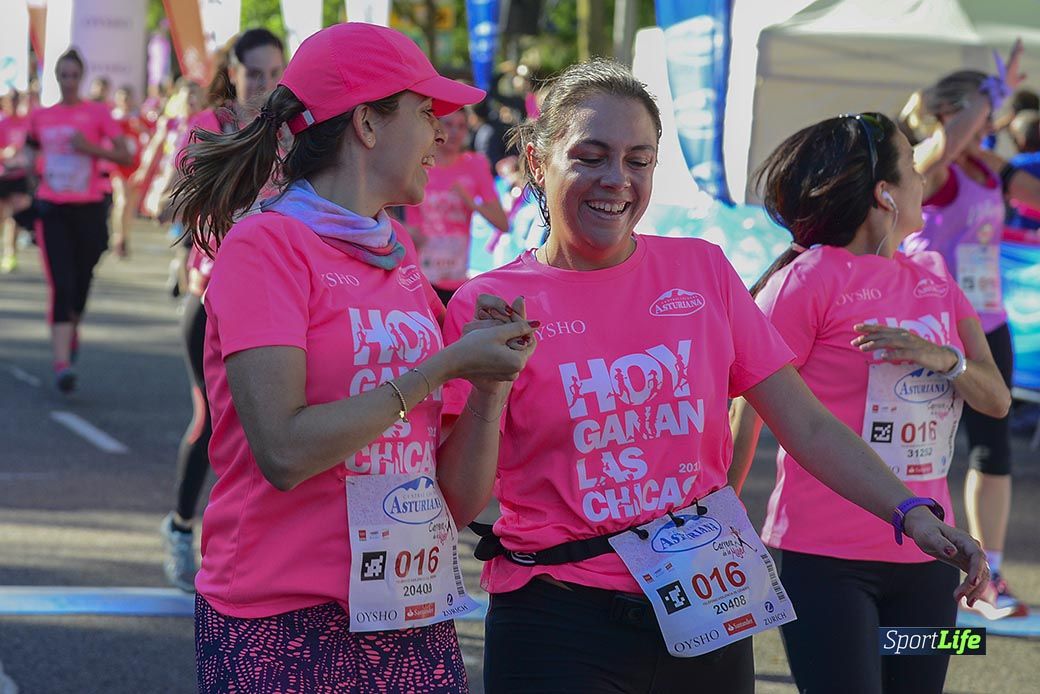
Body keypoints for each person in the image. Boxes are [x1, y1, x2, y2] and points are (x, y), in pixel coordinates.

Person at [440, 58, 989, 693]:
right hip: (558, 616)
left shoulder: (701, 271)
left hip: (708, 605)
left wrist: (912, 512)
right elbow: (458, 501)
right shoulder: (490, 305)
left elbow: (806, 424)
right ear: (538, 163)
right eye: (590, 157)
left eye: (639, 160)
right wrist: (488, 390)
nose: (616, 179)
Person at [168, 23, 536, 692]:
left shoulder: (394, 251)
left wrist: (487, 387)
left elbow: (452, 502)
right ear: (366, 123)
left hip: (408, 611)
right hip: (280, 616)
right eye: (425, 113)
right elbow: (284, 451)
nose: (441, 135)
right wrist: (440, 367)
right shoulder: (265, 248)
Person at [728, 112, 1011, 693]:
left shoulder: (935, 275)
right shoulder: (807, 280)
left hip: (933, 556)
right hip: (825, 559)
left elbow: (998, 400)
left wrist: (943, 358)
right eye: (912, 166)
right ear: (885, 193)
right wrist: (720, 524)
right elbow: (747, 407)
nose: (923, 179)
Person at [898, 41, 1040, 618]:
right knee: (914, 446)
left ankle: (990, 577)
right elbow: (948, 143)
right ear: (952, 114)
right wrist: (990, 94)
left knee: (992, 446)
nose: (991, 121)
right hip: (926, 326)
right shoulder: (927, 164)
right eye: (983, 112)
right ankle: (902, 564)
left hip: (987, 322)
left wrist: (997, 111)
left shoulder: (989, 168)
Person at [159, 28, 287, 594]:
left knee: (278, 426)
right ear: (232, 74)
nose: (264, 84)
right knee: (213, 421)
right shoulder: (209, 126)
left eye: (274, 73)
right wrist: (223, 185)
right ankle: (180, 528)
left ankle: (256, 548)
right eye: (253, 73)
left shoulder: (294, 131)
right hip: (211, 297)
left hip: (276, 301)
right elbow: (170, 201)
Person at [25, 48, 130, 392]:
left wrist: (90, 148)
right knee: (61, 283)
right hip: (52, 208)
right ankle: (61, 365)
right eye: (63, 75)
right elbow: (28, 154)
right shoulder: (41, 116)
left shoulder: (98, 113)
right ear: (56, 77)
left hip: (89, 209)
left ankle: (71, 328)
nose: (68, 82)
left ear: (81, 77)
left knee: (81, 281)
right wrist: (27, 174)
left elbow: (125, 155)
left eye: (74, 75)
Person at [404, 107, 509, 304]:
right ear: (435, 127)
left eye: (461, 126)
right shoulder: (418, 165)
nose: (454, 132)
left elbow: (503, 224)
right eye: (448, 125)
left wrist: (471, 203)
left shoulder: (475, 165)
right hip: (422, 278)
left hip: (457, 280)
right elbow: (408, 224)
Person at [0, 90, 32, 274]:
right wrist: (5, 153)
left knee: (15, 215)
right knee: (2, 216)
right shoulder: (1, 122)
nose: (13, 103)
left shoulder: (24, 122)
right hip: (2, 175)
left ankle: (10, 254)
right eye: (10, 100)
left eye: (16, 100)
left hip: (18, 174)